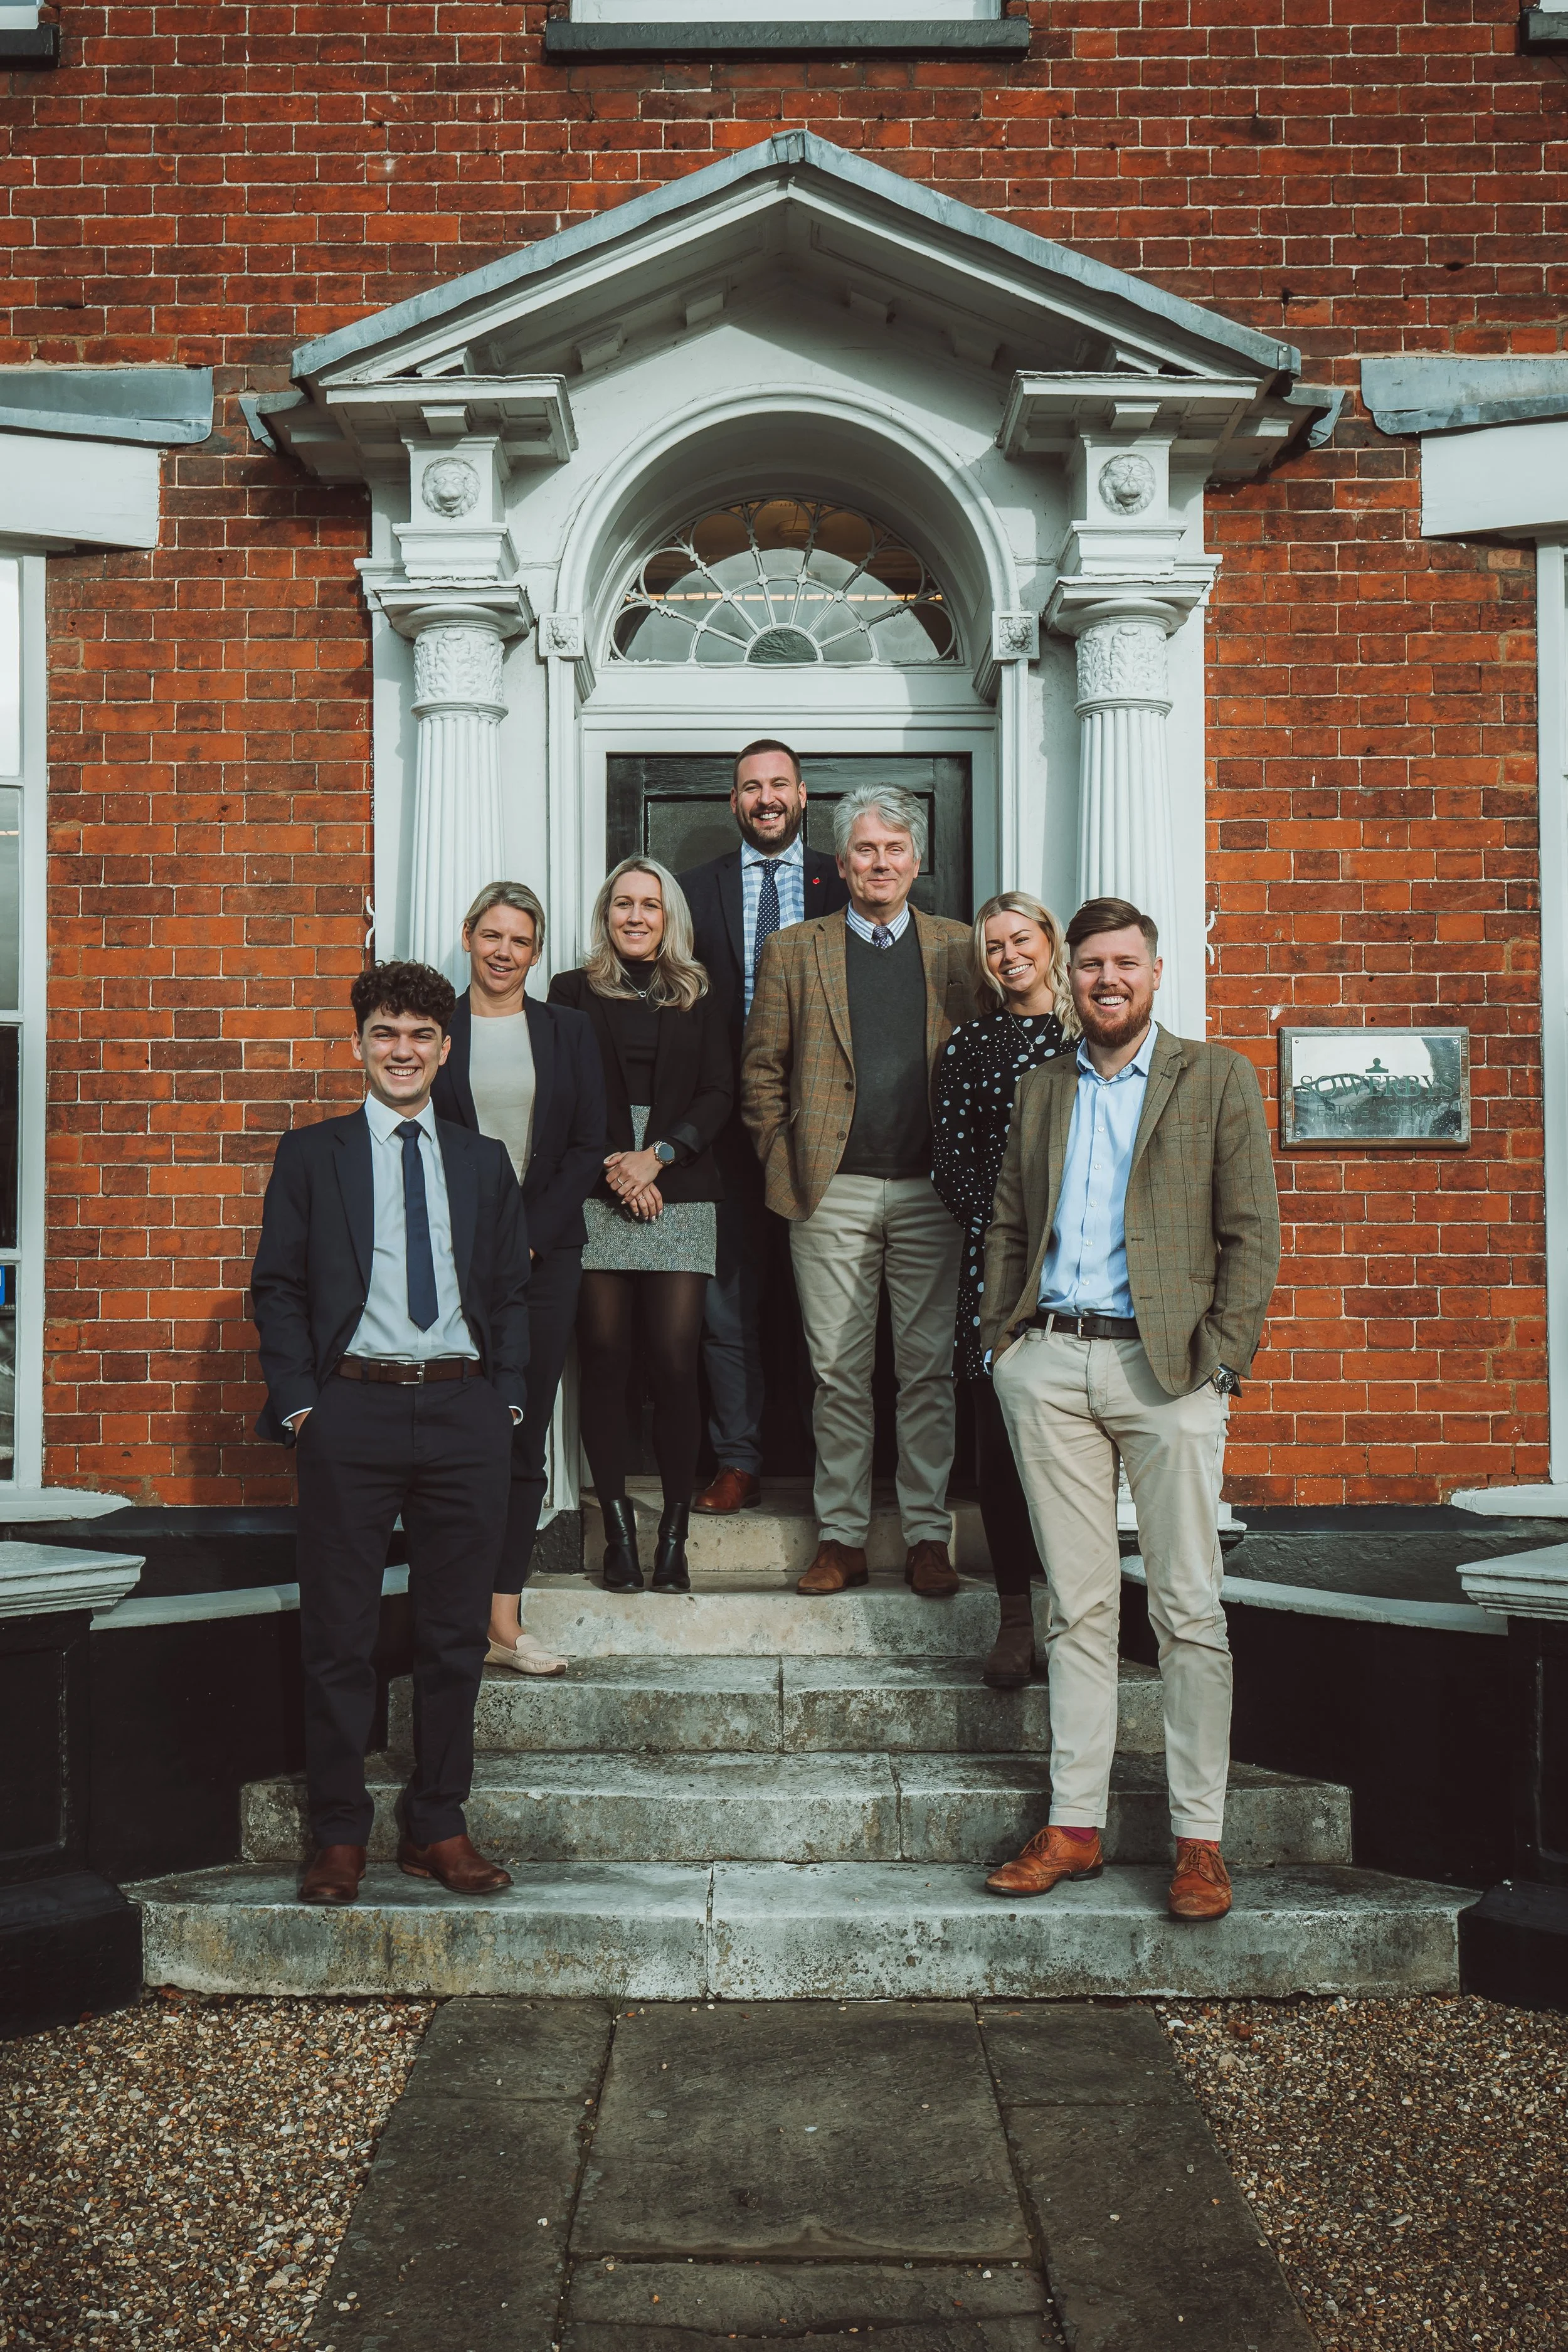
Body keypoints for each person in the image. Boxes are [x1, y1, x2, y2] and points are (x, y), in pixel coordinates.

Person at [979, 898, 1280, 1924]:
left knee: (1188, 1608)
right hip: (1051, 1363)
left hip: (1170, 1374)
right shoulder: (1043, 1087)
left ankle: (1199, 1840)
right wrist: (1005, 1341)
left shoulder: (1215, 1077)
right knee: (1076, 1607)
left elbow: (1252, 1231)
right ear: (1069, 977)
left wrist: (1220, 1364)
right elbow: (1009, 1221)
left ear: (1155, 973)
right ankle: (1075, 1824)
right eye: (1091, 965)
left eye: (1125, 963)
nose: (1107, 979)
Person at [250, 960, 529, 1908]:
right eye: (385, 1034)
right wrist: (302, 1404)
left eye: (419, 1036)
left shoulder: (483, 1161)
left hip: (463, 1410)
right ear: (359, 1044)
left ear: (445, 1049)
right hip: (351, 1410)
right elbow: (278, 1288)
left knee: (453, 1636)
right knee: (340, 1634)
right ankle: (339, 1833)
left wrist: (506, 1402)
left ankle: (437, 1824)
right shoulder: (311, 1154)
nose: (401, 1051)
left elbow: (513, 1292)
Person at [742, 781, 975, 1600]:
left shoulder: (959, 948)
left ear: (916, 860)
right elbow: (761, 1072)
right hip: (830, 1193)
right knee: (838, 1373)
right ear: (840, 864)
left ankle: (926, 1536)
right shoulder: (794, 950)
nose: (881, 862)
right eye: (865, 850)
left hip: (931, 1195)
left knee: (927, 1374)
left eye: (894, 848)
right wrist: (786, 1163)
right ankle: (840, 1537)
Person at [432, 879, 607, 1675]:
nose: (504, 953)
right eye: (493, 935)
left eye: (521, 942)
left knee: (520, 1431)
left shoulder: (568, 1030)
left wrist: (528, 1240)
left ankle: (503, 1621)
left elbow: (587, 1143)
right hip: (450, 1257)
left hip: (544, 1260)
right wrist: (480, 1242)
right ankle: (448, 1612)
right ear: (469, 934)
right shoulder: (436, 1030)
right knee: (451, 1429)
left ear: (536, 954)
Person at [549, 859, 732, 1594]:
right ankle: (619, 1534)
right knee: (603, 1357)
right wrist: (614, 1167)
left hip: (680, 1184)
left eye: (649, 905)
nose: (635, 916)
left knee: (674, 1361)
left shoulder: (700, 992)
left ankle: (674, 1535)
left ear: (668, 917)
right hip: (596, 1183)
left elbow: (719, 1091)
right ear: (606, 914)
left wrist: (656, 1157)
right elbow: (561, 1091)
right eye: (622, 903)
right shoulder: (571, 990)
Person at [679, 739, 847, 1514]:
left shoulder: (843, 883)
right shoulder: (691, 892)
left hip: (825, 1131)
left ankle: (839, 1472)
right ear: (733, 802)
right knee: (727, 1305)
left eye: (780, 784)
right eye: (751, 787)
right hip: (724, 1132)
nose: (766, 798)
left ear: (804, 795)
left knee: (837, 1307)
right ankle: (738, 1460)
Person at [931, 893, 1071, 1687]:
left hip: (1087, 1267)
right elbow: (949, 1161)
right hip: (997, 1267)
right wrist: (1007, 1225)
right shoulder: (970, 1046)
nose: (1009, 955)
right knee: (1001, 1445)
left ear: (1049, 941)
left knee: (1074, 1445)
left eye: (1021, 939)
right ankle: (1015, 1620)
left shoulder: (1091, 1034)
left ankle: (1073, 1615)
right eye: (994, 947)